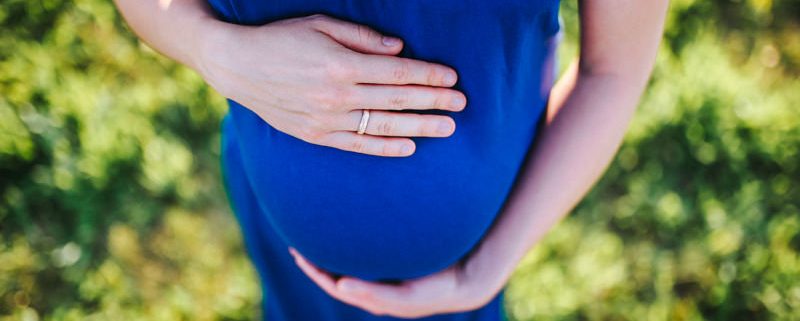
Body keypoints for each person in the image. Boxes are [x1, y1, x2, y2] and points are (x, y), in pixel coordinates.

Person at [113, 0, 669, 319]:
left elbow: (613, 70)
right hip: (280, 223)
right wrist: (215, 50)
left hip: (464, 274)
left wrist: (488, 267)